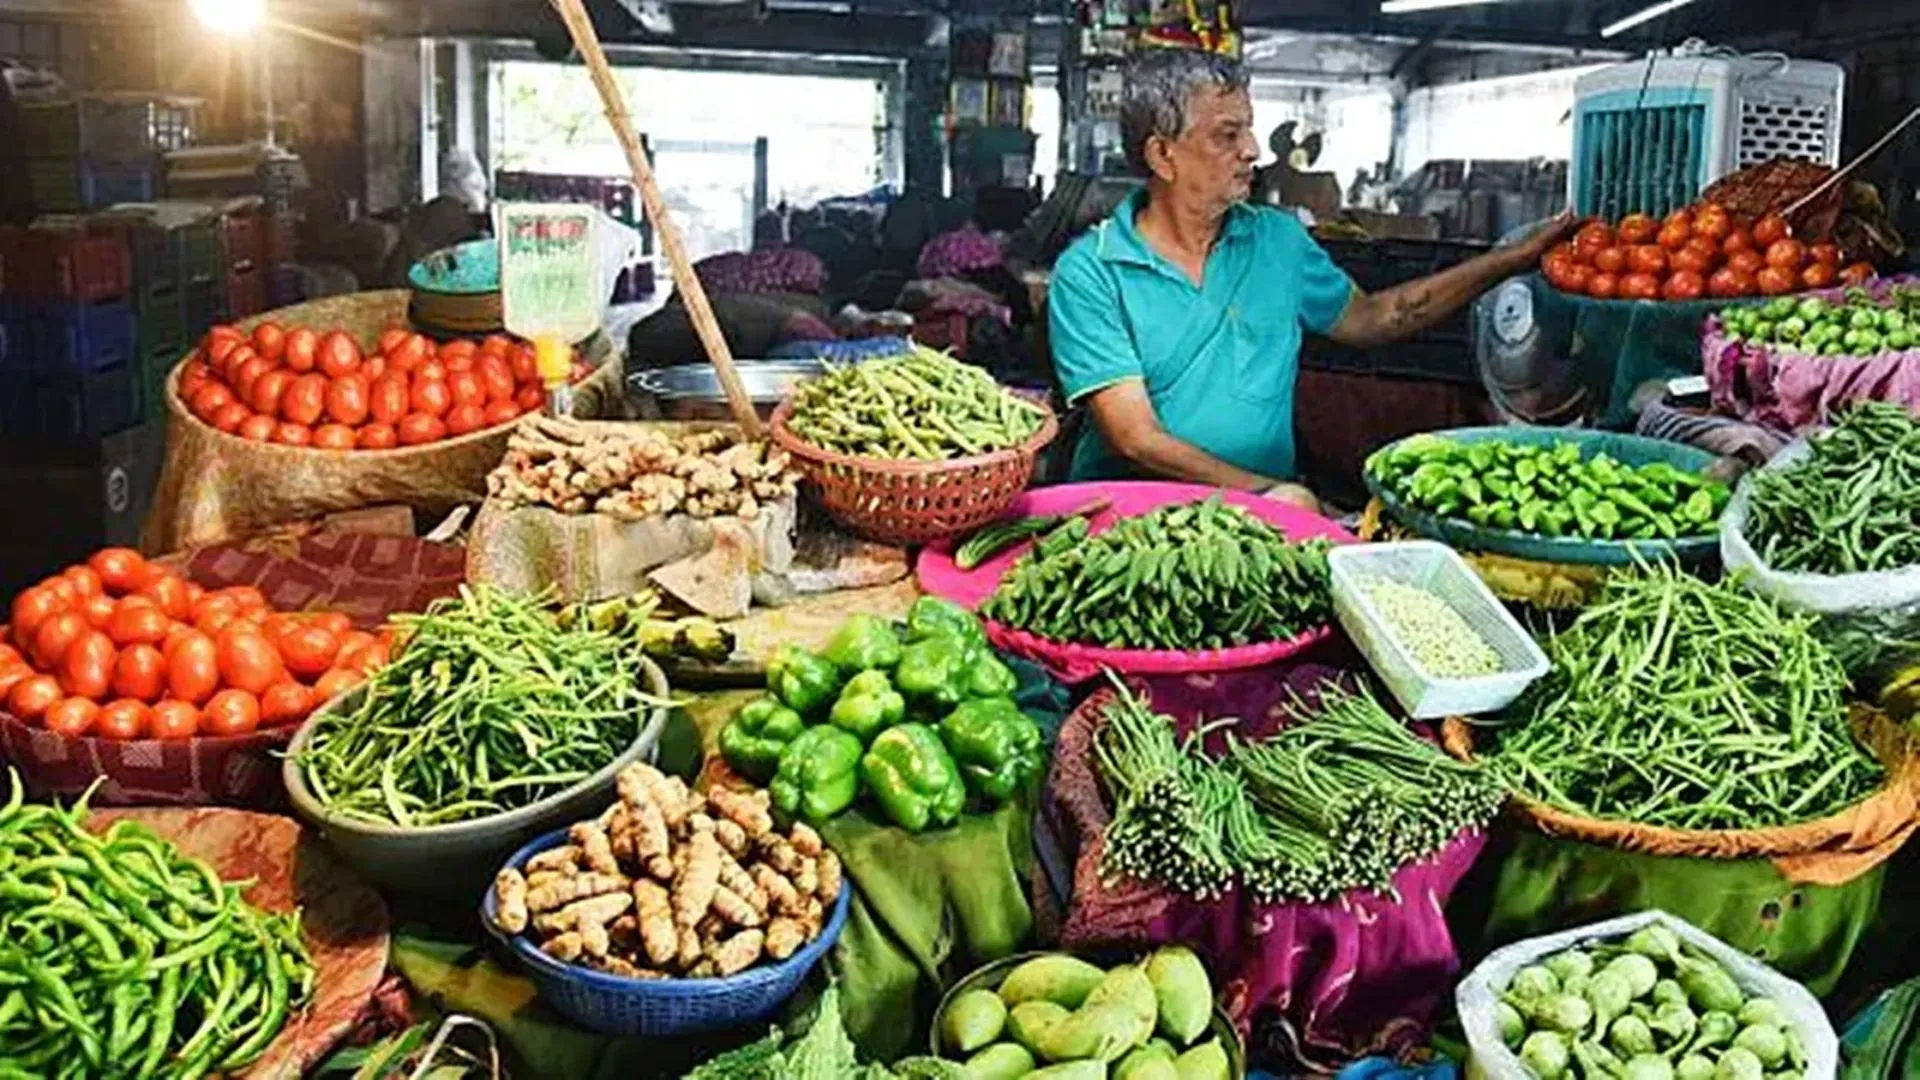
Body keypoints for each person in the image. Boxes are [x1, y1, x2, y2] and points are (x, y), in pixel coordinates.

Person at [1047, 50, 1579, 507]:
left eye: (1249, 127)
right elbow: (1135, 438)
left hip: (1257, 524)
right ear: (1162, 155)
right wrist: (1266, 492)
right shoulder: (1091, 272)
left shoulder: (1279, 241)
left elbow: (1375, 318)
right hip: (1123, 522)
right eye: (1228, 134)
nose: (1253, 149)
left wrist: (1510, 258)